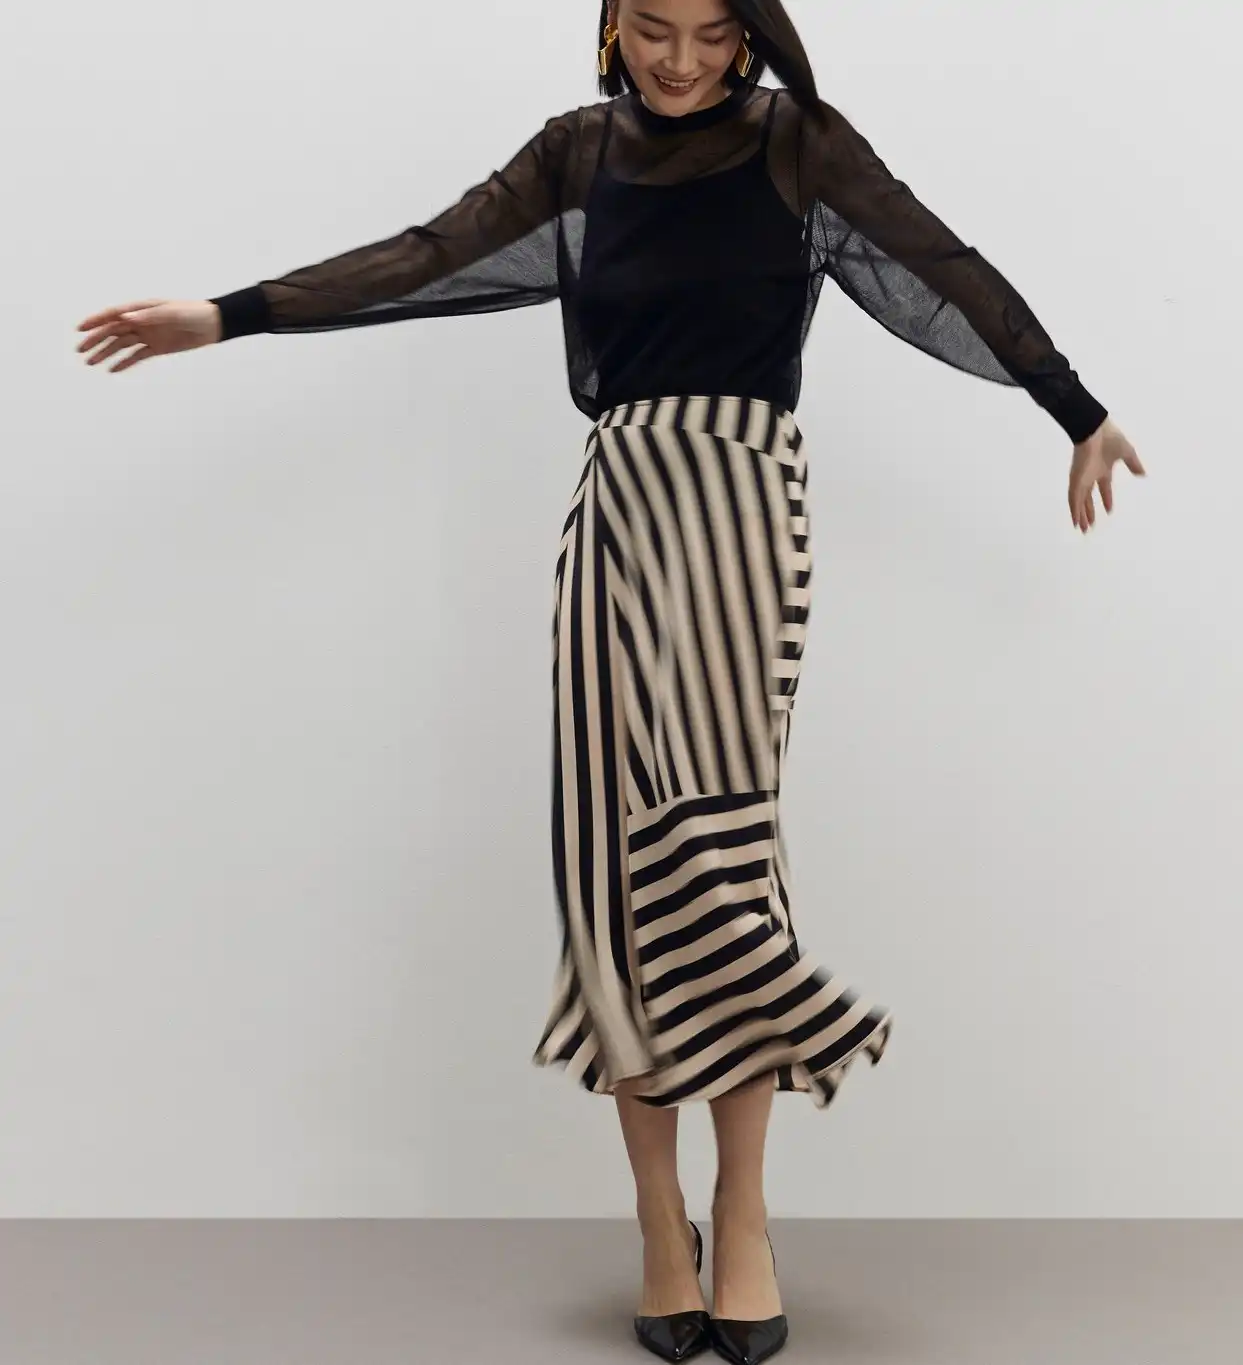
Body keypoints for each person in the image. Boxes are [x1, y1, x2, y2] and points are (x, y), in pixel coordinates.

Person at [76, 1, 1145, 1360]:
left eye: (709, 32)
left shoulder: (800, 146)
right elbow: (426, 257)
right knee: (608, 860)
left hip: (744, 512)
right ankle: (657, 1219)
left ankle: (742, 1212)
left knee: (720, 852)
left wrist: (1075, 408)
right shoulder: (577, 155)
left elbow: (941, 265)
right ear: (610, 26)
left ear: (749, 32)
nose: (681, 60)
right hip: (618, 511)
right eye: (652, 29)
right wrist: (228, 316)